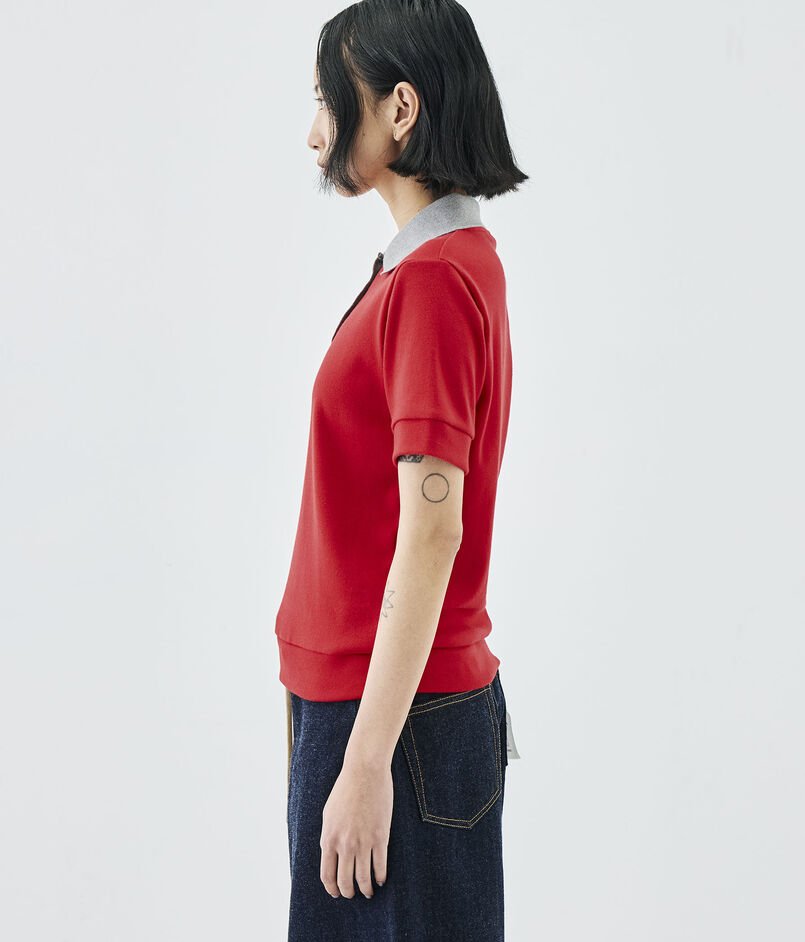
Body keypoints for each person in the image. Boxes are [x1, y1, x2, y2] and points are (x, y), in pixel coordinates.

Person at [274, 1, 527, 938]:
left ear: (400, 108)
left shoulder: (429, 284)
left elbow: (431, 529)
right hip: (382, 708)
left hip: (392, 720)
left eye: (326, 101)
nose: (314, 134)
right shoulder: (437, 265)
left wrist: (365, 759)